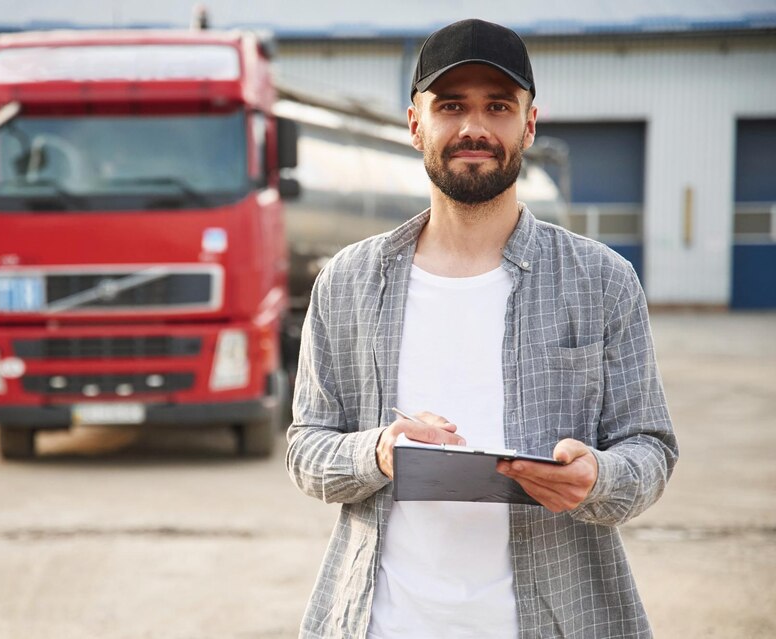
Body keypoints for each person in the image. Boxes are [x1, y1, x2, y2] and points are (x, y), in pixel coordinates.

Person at [285, 18, 678, 639]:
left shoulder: (602, 281)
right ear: (416, 124)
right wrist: (380, 452)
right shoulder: (348, 281)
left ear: (528, 122)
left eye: (498, 106)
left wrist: (599, 478)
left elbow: (651, 447)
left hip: (559, 620)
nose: (474, 128)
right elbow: (306, 448)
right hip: (383, 623)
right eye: (451, 106)